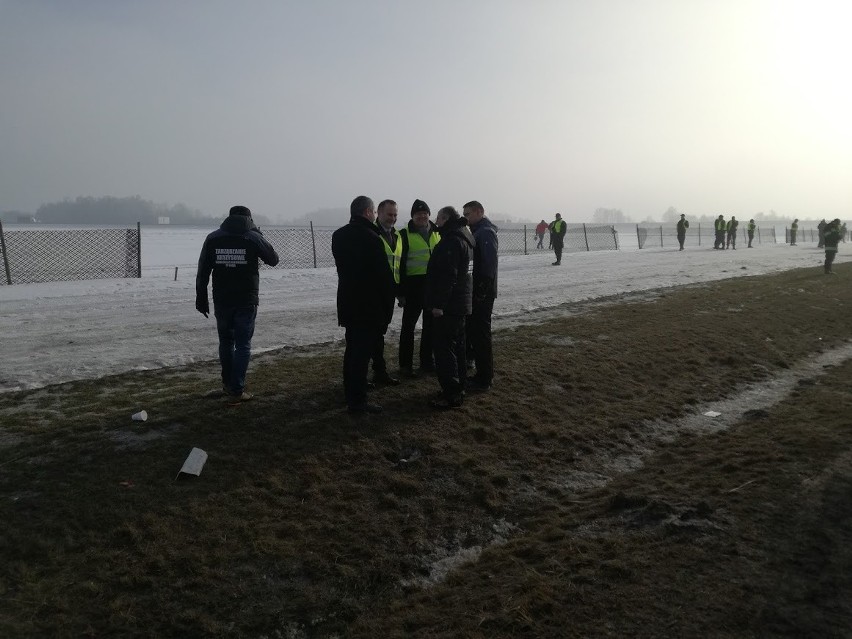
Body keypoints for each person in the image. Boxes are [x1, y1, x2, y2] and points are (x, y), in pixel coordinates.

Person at [195, 205, 280, 401]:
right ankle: (237, 390)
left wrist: (201, 297)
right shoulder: (252, 236)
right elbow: (273, 259)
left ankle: (227, 385)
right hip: (246, 299)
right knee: (243, 344)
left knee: (226, 341)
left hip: (222, 299)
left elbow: (203, 270)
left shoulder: (213, 238)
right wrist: (257, 234)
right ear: (249, 219)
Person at [331, 196, 396, 414]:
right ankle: (357, 401)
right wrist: (387, 309)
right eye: (374, 212)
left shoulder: (338, 236)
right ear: (368, 212)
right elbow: (383, 278)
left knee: (352, 350)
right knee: (361, 353)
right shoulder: (372, 238)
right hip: (369, 306)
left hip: (348, 301)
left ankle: (350, 390)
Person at [425, 206, 474, 409]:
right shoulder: (465, 237)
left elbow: (448, 276)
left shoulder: (451, 242)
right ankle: (458, 387)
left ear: (445, 218)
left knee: (445, 349)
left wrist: (439, 304)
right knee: (458, 347)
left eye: (438, 218)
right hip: (461, 303)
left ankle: (451, 394)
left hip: (450, 306)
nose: (435, 221)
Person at [398, 199, 441, 377]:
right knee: (408, 327)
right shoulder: (403, 234)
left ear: (429, 215)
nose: (422, 216)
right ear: (412, 216)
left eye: (425, 213)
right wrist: (400, 292)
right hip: (413, 287)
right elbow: (399, 264)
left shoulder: (438, 232)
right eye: (418, 214)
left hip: (433, 286)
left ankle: (427, 362)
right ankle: (405, 365)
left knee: (430, 327)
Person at [463, 200, 498, 391]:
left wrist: (481, 291)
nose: (466, 218)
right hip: (478, 292)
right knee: (476, 334)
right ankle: (481, 374)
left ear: (479, 212)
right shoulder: (477, 231)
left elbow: (488, 266)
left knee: (481, 335)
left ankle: (484, 378)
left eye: (468, 214)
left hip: (482, 294)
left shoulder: (485, 233)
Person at [371, 200, 402, 386]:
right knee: (373, 334)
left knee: (380, 332)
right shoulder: (372, 233)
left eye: (395, 215)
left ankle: (379, 370)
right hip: (374, 293)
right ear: (378, 213)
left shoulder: (397, 236)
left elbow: (399, 264)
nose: (393, 218)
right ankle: (378, 370)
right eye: (389, 214)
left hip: (390, 293)